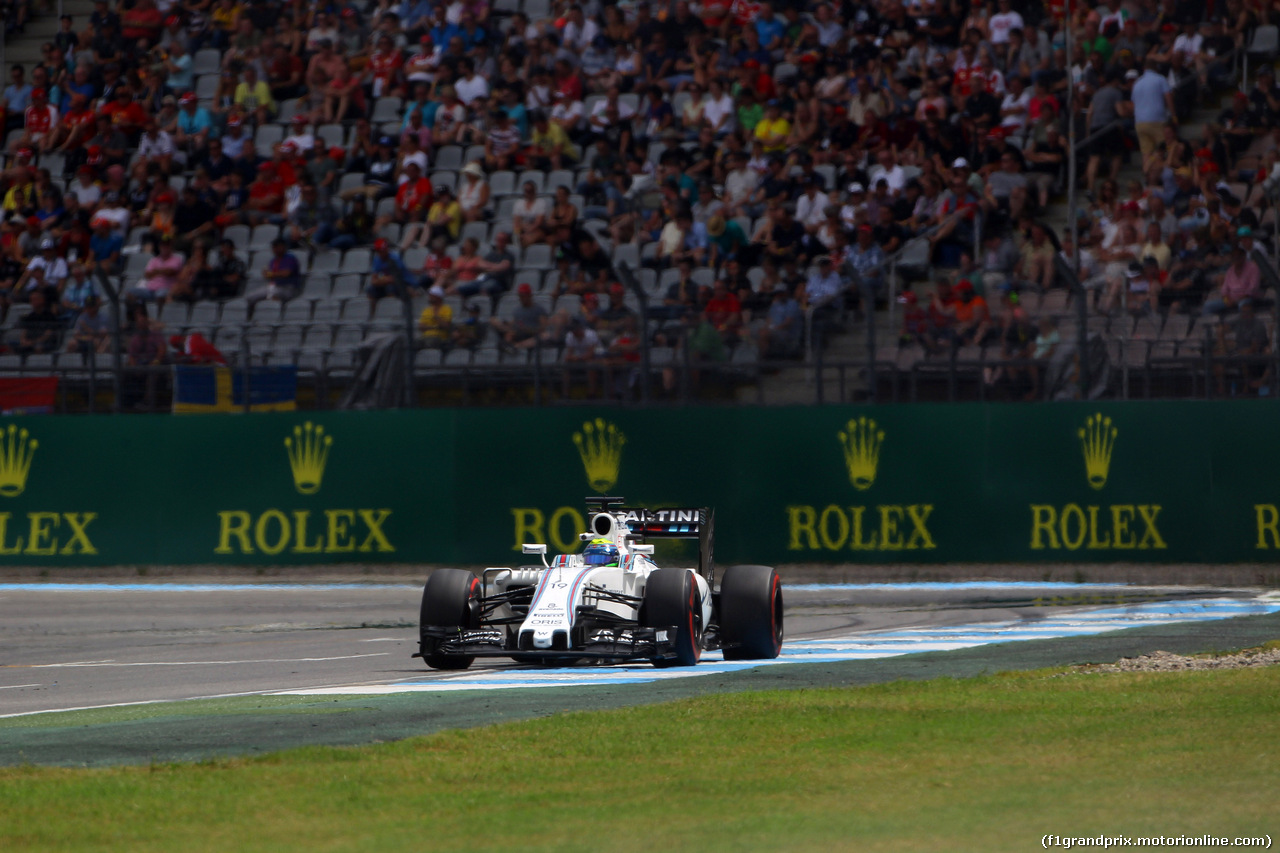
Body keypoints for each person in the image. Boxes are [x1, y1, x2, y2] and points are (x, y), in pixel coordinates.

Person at [245, 239, 303, 314]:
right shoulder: (274, 260)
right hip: (275, 287)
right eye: (273, 247)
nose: (274, 249)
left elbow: (286, 273)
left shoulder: (290, 258)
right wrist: (266, 274)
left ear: (283, 247)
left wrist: (271, 274)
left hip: (288, 288)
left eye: (276, 247)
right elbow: (269, 276)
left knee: (272, 295)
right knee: (250, 297)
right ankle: (251, 316)